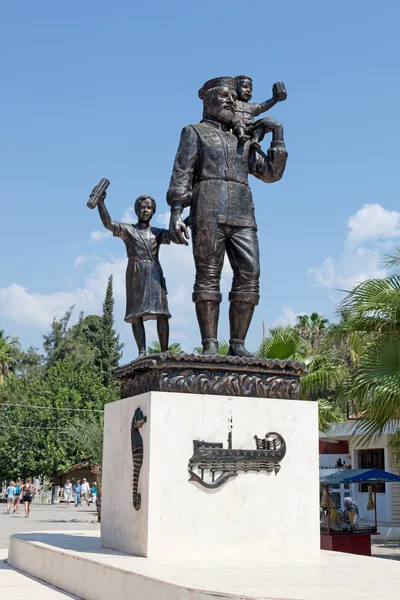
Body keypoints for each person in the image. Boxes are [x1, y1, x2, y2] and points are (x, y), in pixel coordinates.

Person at [167, 76, 288, 356]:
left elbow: (271, 174)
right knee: (208, 276)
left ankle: (237, 344)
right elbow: (182, 172)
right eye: (223, 96)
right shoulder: (195, 132)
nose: (230, 101)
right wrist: (176, 211)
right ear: (207, 100)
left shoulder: (242, 138)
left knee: (250, 274)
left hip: (243, 213)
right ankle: (210, 344)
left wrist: (277, 134)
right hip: (208, 209)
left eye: (232, 98)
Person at [95, 194, 171, 357]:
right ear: (136, 210)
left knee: (162, 312)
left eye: (149, 208)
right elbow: (109, 224)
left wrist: (187, 217)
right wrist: (101, 203)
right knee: (136, 314)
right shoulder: (129, 230)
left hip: (155, 272)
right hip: (136, 272)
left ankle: (165, 351)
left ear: (153, 211)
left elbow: (173, 234)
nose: (146, 210)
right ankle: (141, 351)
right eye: (143, 207)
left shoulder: (157, 233)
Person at [229, 75, 287, 147]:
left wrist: (275, 99)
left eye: (250, 88)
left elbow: (262, 107)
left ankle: (255, 140)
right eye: (244, 86)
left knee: (261, 124)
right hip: (237, 126)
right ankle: (241, 136)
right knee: (238, 121)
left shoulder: (251, 106)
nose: (248, 90)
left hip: (251, 126)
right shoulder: (232, 103)